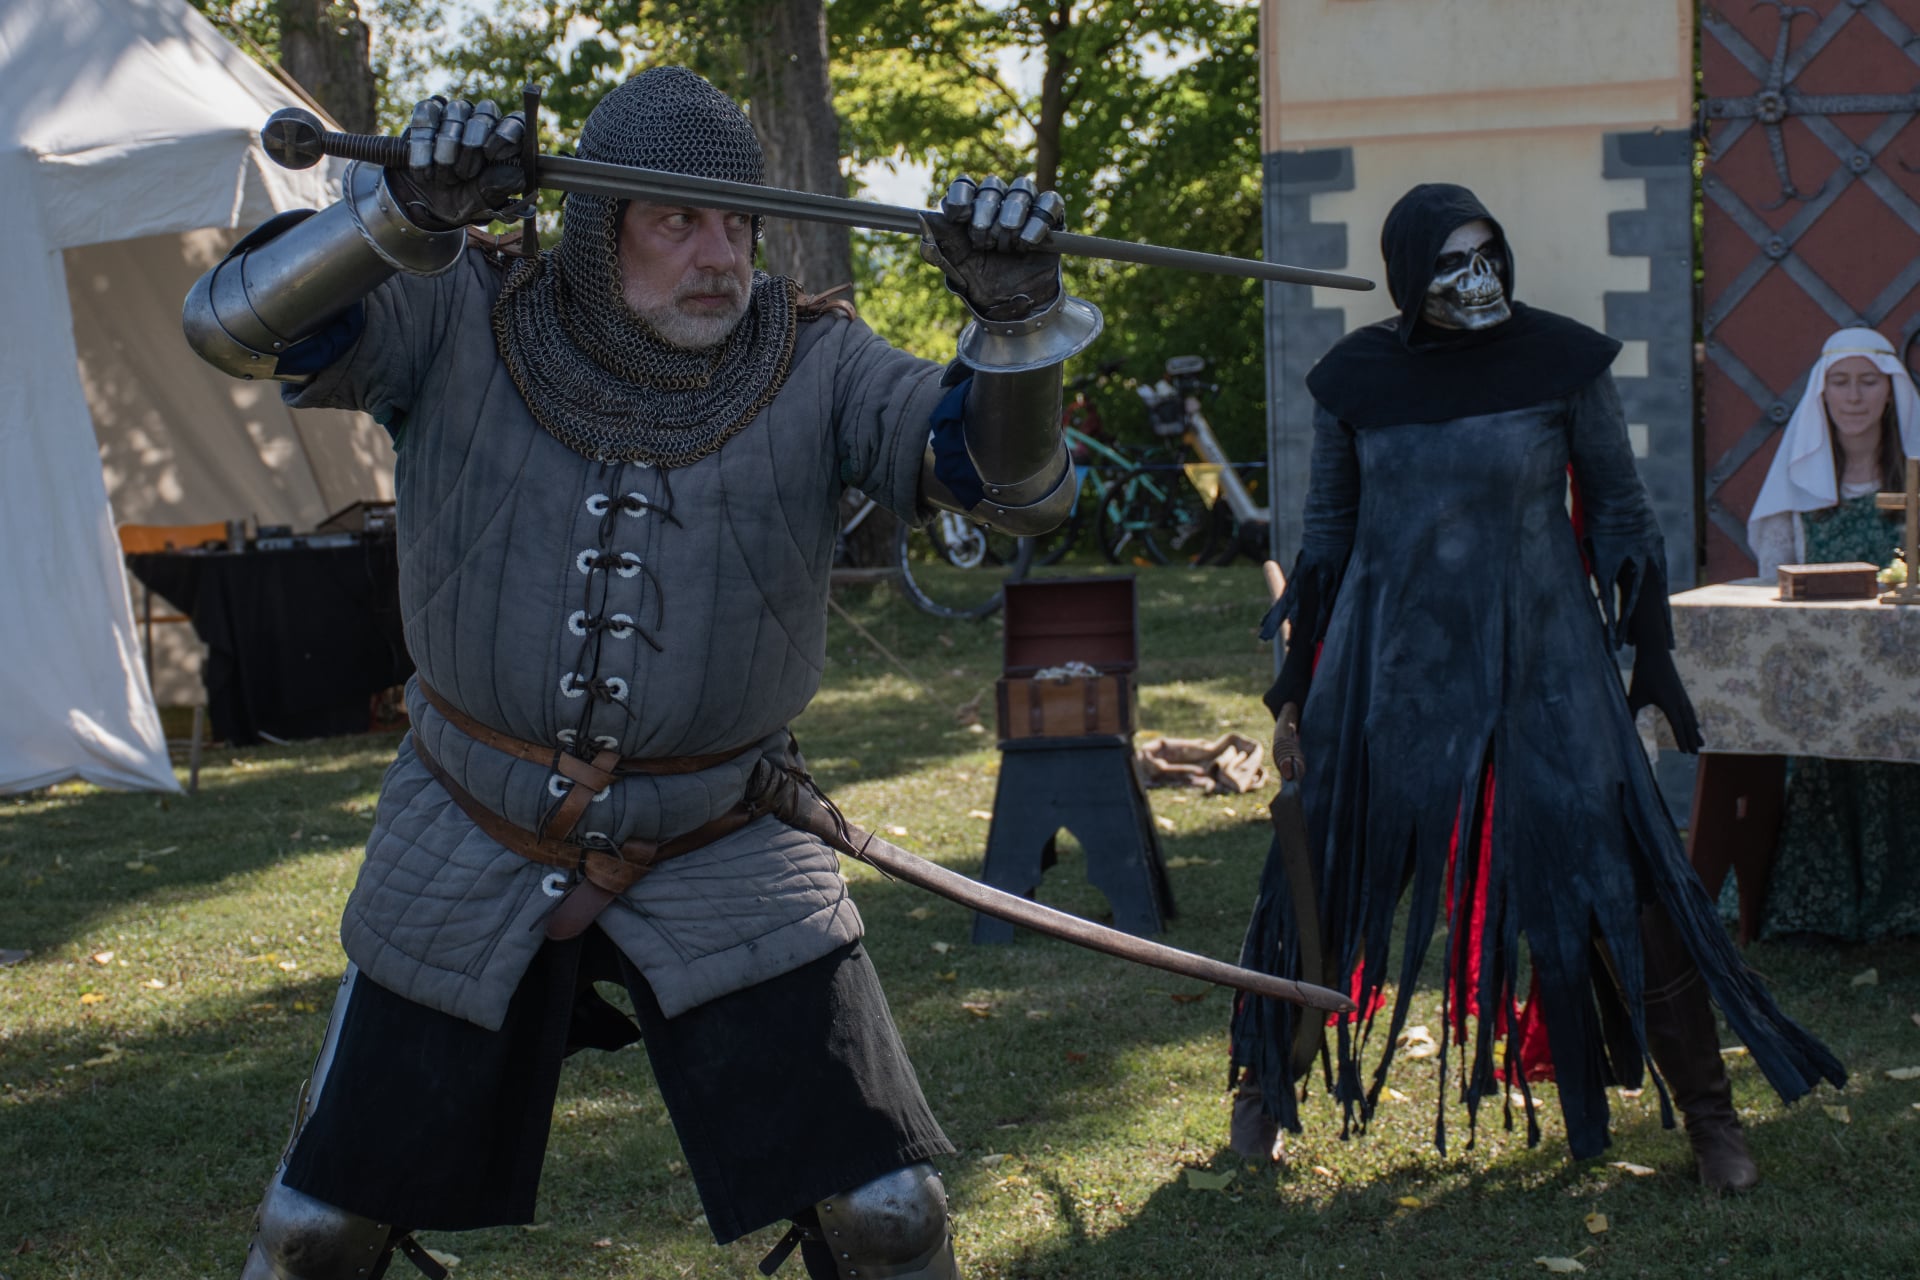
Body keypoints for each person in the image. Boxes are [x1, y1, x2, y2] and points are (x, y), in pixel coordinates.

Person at [183, 66, 1098, 1280]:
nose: (721, 257)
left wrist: (1018, 327)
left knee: (891, 1216)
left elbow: (1020, 493)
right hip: (464, 833)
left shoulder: (818, 363)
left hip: (724, 836)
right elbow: (231, 326)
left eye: (739, 223)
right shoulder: (460, 314)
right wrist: (402, 213)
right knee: (312, 1234)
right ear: (595, 222)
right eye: (679, 221)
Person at [1228, 183, 1844, 1192]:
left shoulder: (1561, 360)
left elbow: (1622, 512)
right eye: (1451, 262)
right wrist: (1296, 680)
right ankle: (1264, 1088)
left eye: (1489, 256)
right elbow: (1329, 536)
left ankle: (1710, 1116)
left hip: (1544, 663)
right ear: (1408, 274)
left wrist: (1651, 656)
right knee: (1329, 869)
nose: (1477, 279)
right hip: (1392, 665)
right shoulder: (1356, 378)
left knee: (1622, 879)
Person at [1744, 328, 1920, 942]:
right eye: (1841, 382)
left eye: (1868, 382)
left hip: (1908, 677)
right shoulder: (1798, 489)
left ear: (1890, 390)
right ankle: (1821, 906)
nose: (1854, 397)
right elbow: (1776, 581)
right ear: (1822, 393)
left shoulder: (1913, 482)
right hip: (1822, 681)